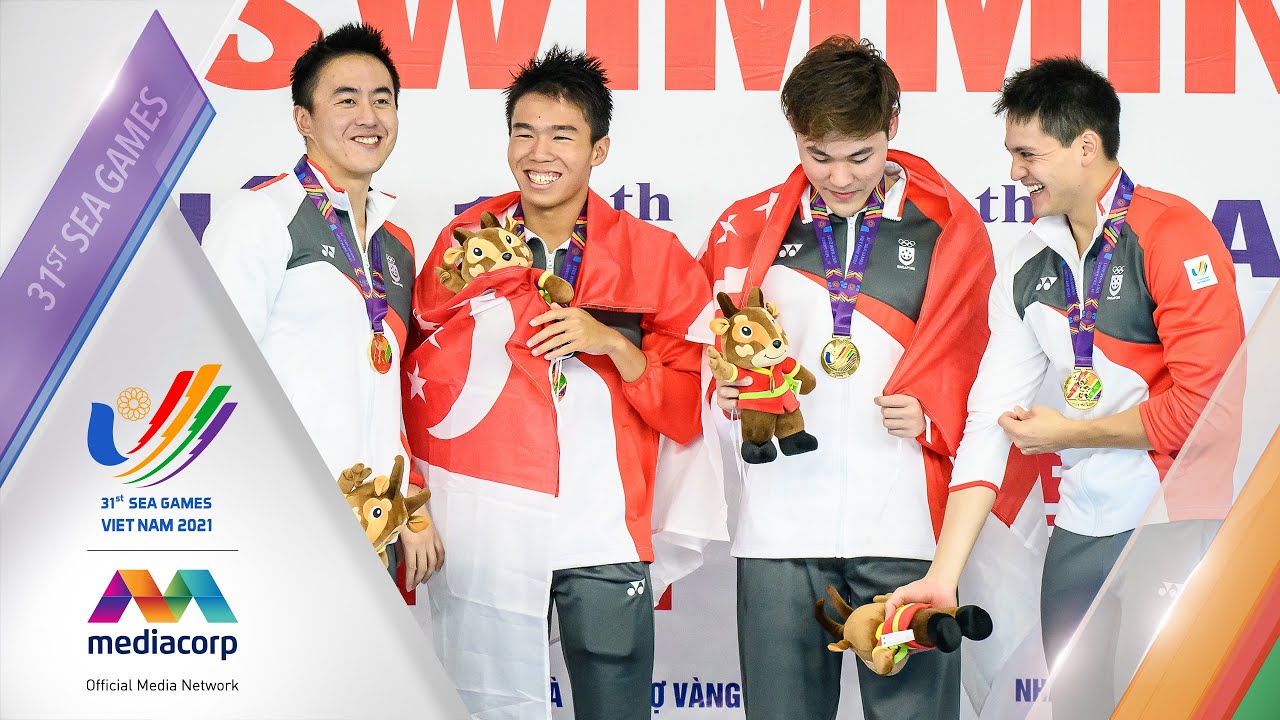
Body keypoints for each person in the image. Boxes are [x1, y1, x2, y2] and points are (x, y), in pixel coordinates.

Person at [884, 57, 1245, 715]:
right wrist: (943, 575)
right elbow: (988, 424)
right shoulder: (1026, 261)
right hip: (1079, 531)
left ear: (1086, 146)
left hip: (1172, 522)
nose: (1015, 171)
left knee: (1166, 708)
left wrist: (1067, 434)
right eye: (1011, 153)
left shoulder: (1172, 233)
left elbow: (1206, 413)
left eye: (1028, 153)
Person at [403, 47, 711, 720]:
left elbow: (691, 409)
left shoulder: (653, 257)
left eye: (562, 135)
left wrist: (610, 344)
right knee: (480, 705)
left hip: (600, 536)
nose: (538, 152)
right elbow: (416, 377)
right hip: (488, 527)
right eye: (524, 131)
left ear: (599, 149)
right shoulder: (465, 244)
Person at [699, 36, 995, 720]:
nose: (839, 177)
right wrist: (725, 392)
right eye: (818, 155)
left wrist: (935, 413)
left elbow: (985, 371)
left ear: (892, 123)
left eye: (860, 154)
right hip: (777, 531)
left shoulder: (947, 228)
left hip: (903, 530)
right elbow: (703, 354)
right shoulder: (746, 230)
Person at [202, 23, 441, 589]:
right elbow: (211, 375)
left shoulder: (396, 244)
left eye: (382, 100)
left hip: (370, 530)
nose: (369, 116)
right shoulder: (259, 216)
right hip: (280, 527)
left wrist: (408, 498)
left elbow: (382, 390)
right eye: (346, 99)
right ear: (302, 118)